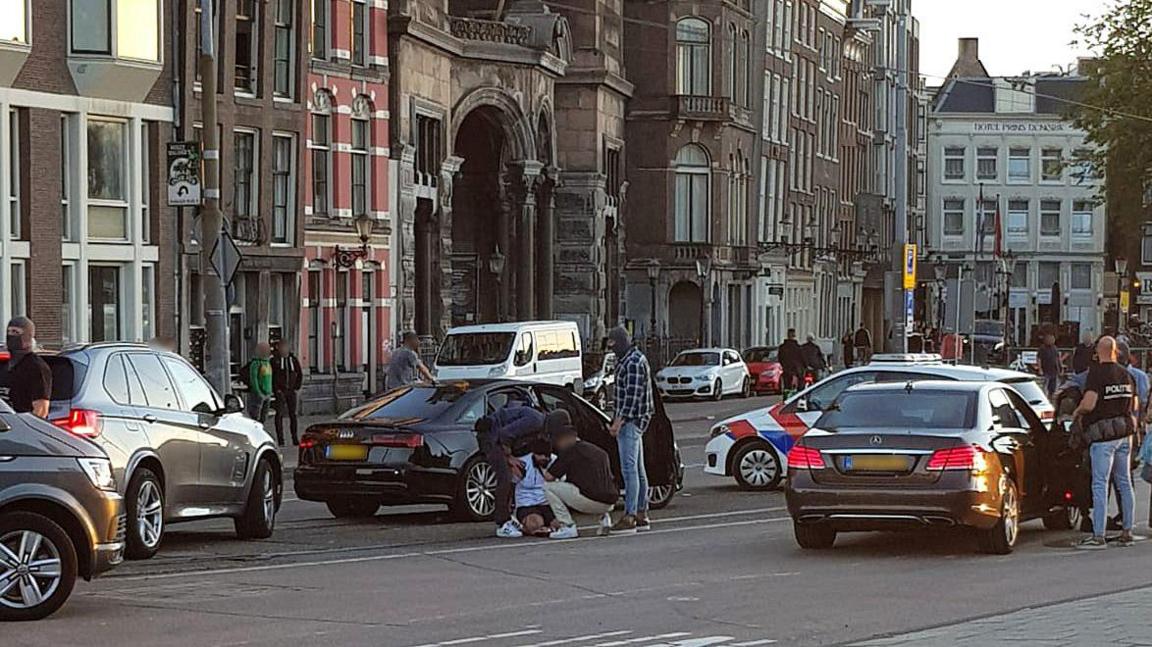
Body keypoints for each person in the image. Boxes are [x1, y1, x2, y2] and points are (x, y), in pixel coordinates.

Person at [1073, 336, 1137, 549]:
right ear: (1115, 351)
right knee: (1124, 482)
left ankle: (1098, 535)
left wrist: (1077, 411)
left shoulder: (1097, 373)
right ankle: (1127, 531)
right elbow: (1134, 403)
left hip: (1103, 437)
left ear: (1097, 352)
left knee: (1100, 483)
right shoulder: (1126, 374)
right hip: (1124, 433)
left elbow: (1090, 404)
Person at [475, 390, 547, 538]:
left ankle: (510, 514)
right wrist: (509, 459)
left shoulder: (539, 424)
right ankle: (503, 523)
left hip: (497, 437)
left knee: (513, 475)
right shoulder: (536, 421)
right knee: (505, 477)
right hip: (491, 437)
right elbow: (505, 434)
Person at [542, 410, 617, 539]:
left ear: (561, 437)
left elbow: (549, 477)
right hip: (610, 503)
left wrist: (539, 465)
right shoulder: (597, 450)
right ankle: (605, 521)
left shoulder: (569, 451)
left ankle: (567, 526)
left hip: (591, 501)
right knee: (592, 484)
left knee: (548, 487)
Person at [608, 326, 654, 535]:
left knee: (629, 470)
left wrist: (618, 421)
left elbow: (631, 397)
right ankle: (642, 513)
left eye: (613, 344)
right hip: (636, 420)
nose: (611, 348)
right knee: (638, 468)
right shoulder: (630, 359)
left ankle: (630, 515)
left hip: (631, 421)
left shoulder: (633, 362)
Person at [1, 317, 51, 418]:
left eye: (15, 332)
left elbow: (41, 409)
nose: (10, 336)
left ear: (28, 336)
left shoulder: (36, 367)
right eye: (9, 332)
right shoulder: (5, 366)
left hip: (21, 425)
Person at [511, 438, 557, 538]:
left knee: (560, 524)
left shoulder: (554, 460)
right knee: (535, 524)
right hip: (527, 504)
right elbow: (511, 484)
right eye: (541, 455)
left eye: (547, 455)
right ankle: (527, 526)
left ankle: (546, 527)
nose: (545, 458)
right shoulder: (522, 463)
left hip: (547, 503)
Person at [271, 341, 304, 446]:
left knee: (293, 415)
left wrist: (296, 387)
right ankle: (281, 440)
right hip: (280, 391)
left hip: (291, 390)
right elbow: (272, 376)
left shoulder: (293, 360)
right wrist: (276, 390)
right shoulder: (274, 361)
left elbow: (299, 373)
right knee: (279, 414)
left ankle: (294, 438)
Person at [246, 342, 274, 422]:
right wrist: (258, 392)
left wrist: (270, 391)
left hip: (267, 393)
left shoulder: (268, 363)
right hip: (258, 394)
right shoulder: (255, 363)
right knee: (255, 416)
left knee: (264, 416)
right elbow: (254, 379)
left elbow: (270, 378)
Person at [777, 329, 804, 393]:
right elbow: (802, 358)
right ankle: (799, 395)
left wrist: (783, 365)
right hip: (796, 370)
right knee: (800, 383)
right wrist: (805, 365)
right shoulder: (798, 347)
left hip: (786, 369)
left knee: (787, 386)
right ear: (794, 335)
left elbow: (780, 358)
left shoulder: (782, 347)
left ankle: (787, 399)